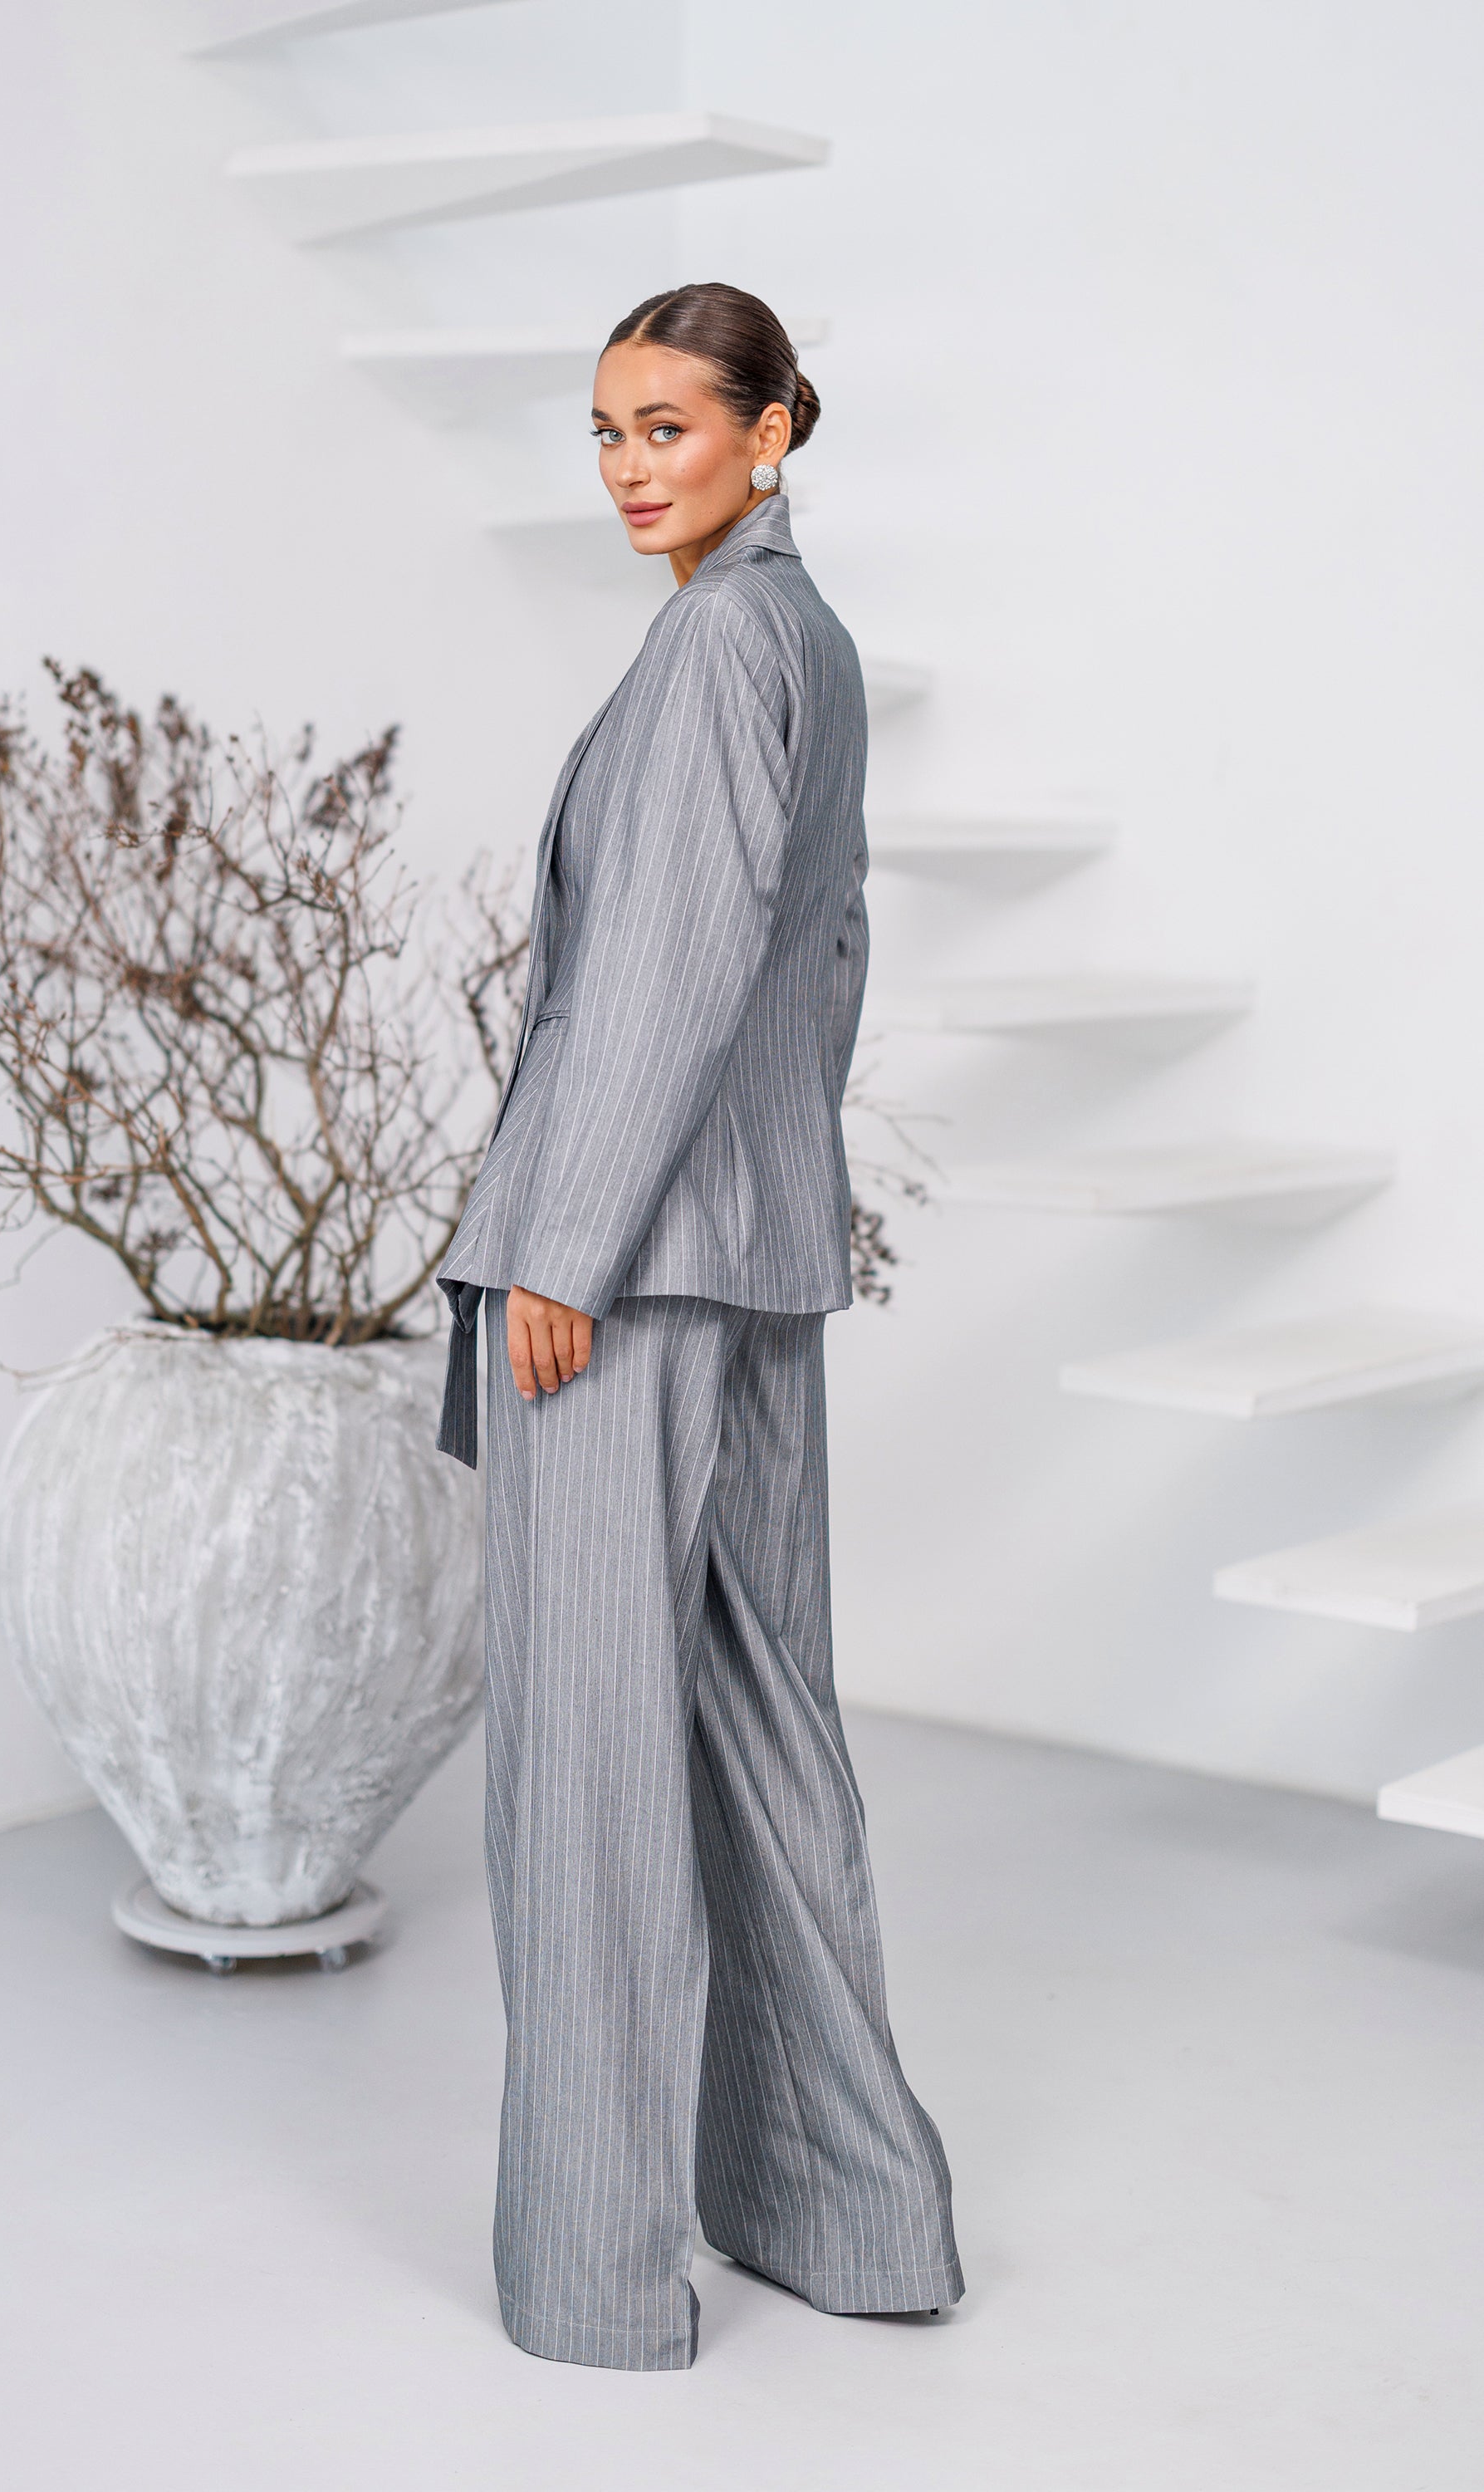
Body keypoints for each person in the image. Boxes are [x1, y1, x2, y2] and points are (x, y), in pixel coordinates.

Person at [436, 281, 962, 2372]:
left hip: (624, 1270)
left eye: (667, 426)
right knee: (761, 1733)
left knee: (584, 1772)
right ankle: (852, 2214)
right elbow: (816, 962)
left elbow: (660, 964)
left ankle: (592, 2276)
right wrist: (761, 1185)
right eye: (604, 431)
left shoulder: (720, 644)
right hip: (739, 1248)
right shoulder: (798, 638)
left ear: (769, 430)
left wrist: (561, 1249)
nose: (630, 467)